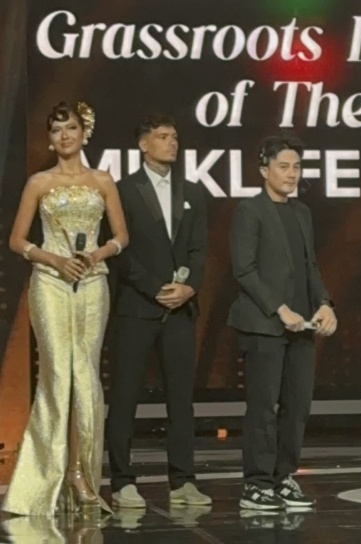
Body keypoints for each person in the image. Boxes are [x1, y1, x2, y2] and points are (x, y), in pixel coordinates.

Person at [3, 101, 128, 516]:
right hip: (50, 282)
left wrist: (96, 255)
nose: (64, 136)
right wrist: (54, 259)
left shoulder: (102, 180)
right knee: (57, 374)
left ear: (83, 132)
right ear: (50, 139)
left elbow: (121, 236)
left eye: (71, 128)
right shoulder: (39, 182)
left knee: (86, 375)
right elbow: (17, 240)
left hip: (92, 282)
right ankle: (44, 483)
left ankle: (80, 474)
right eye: (57, 130)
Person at [105, 114, 211, 508]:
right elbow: (120, 250)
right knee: (125, 396)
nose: (172, 143)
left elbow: (199, 248)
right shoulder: (122, 191)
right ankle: (122, 481)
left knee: (181, 399)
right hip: (136, 307)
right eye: (163, 136)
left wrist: (189, 286)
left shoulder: (193, 191)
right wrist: (154, 288)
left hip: (180, 310)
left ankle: (183, 481)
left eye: (175, 136)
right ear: (143, 144)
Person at [228, 133, 337, 510]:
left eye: (297, 167)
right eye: (283, 166)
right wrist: (279, 308)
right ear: (264, 170)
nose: (292, 174)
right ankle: (256, 484)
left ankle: (284, 476)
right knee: (263, 407)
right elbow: (244, 270)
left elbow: (310, 265)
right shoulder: (250, 210)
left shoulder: (301, 212)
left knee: (297, 405)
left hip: (302, 327)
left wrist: (324, 303)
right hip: (264, 325)